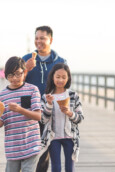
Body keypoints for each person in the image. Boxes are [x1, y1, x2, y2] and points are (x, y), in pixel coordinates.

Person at [22, 25, 67, 172]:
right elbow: (15, 83)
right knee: (27, 151)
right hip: (28, 111)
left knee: (44, 153)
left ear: (51, 40)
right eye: (36, 38)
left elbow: (65, 87)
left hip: (50, 112)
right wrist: (26, 69)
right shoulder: (25, 59)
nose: (38, 41)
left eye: (42, 38)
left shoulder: (60, 61)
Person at [0, 56, 42, 172]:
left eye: (18, 74)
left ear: (24, 72)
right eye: (10, 75)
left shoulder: (32, 90)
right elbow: (1, 123)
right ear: (6, 75)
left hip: (31, 144)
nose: (14, 78)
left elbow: (38, 116)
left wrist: (20, 110)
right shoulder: (2, 96)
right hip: (12, 147)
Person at [40, 63, 84, 172]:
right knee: (56, 168)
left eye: (64, 77)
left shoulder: (73, 96)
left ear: (68, 78)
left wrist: (70, 113)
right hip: (53, 137)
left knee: (70, 168)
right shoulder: (46, 97)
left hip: (70, 137)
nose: (60, 80)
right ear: (52, 77)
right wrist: (49, 104)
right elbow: (43, 119)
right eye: (58, 77)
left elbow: (80, 118)